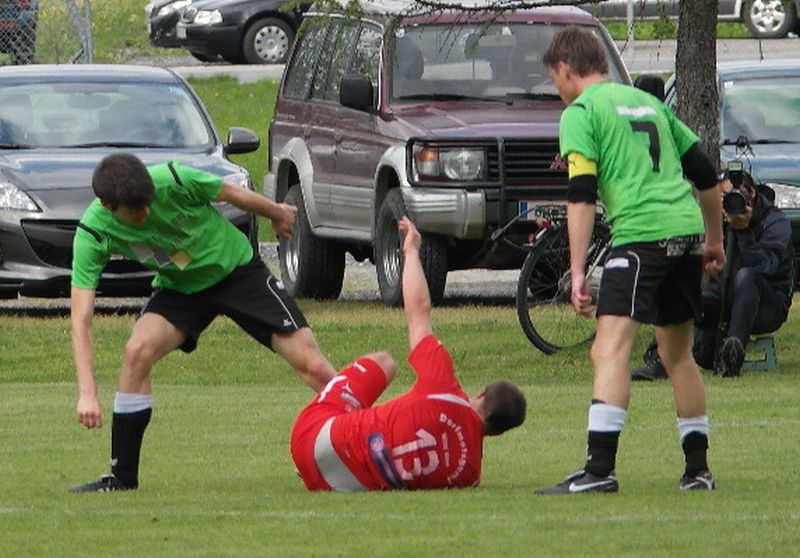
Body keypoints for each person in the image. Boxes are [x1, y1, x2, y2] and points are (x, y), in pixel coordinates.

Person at [69, 153, 337, 493]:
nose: (147, 213)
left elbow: (228, 193)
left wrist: (276, 212)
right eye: (136, 212)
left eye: (148, 203)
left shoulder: (173, 178)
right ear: (108, 205)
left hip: (237, 272)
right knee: (137, 350)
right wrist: (87, 393)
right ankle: (122, 478)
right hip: (180, 288)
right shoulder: (93, 232)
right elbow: (81, 319)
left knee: (312, 366)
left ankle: (377, 437)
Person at [535, 27, 726, 495]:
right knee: (677, 354)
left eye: (553, 79)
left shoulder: (582, 112)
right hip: (684, 229)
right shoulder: (649, 103)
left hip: (642, 235)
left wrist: (577, 271)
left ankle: (599, 470)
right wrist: (715, 240)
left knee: (608, 349)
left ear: (564, 69)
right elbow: (704, 173)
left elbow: (580, 195)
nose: (556, 90)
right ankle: (697, 471)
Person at [290, 216, 526, 491]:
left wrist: (412, 251)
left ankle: (341, 427)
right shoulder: (469, 473)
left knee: (385, 363)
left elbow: (419, 310)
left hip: (310, 438)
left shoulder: (443, 387)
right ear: (497, 432)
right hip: (334, 484)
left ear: (482, 394)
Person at [632, 170, 793, 380]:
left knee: (747, 276)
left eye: (737, 196)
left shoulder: (775, 222)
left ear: (752, 193)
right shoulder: (719, 222)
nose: (731, 203)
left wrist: (743, 231)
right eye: (724, 198)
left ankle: (732, 356)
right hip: (725, 298)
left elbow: (766, 267)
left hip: (767, 305)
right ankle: (660, 359)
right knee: (683, 293)